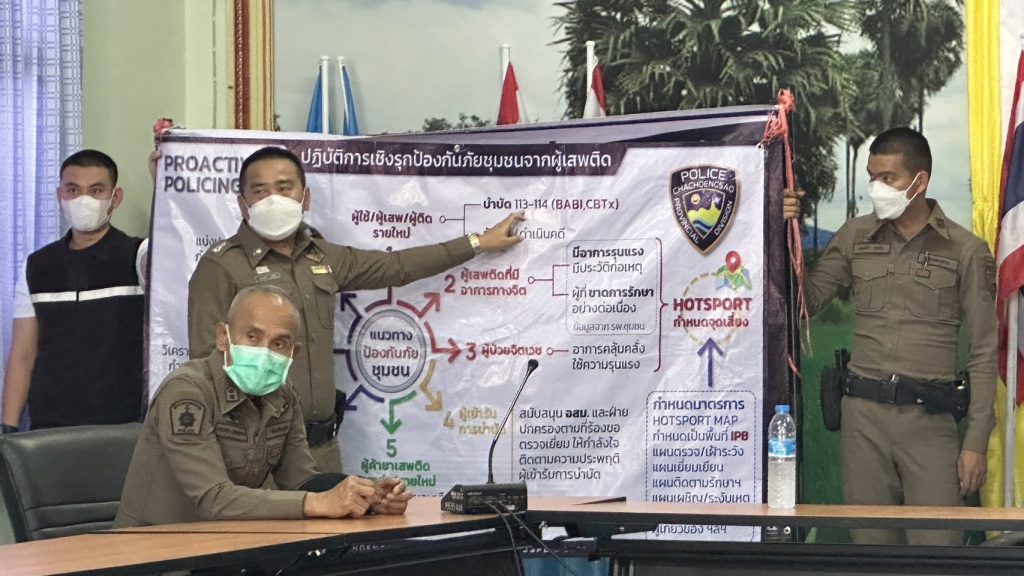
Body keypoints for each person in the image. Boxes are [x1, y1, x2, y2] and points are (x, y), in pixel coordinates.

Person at [187, 146, 525, 472]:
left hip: (320, 448)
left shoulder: (322, 257)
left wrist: (478, 242)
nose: (273, 199)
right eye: (260, 191)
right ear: (243, 204)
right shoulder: (222, 265)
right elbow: (206, 361)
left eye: (284, 188)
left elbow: (396, 266)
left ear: (305, 198)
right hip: (256, 451)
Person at [784, 127, 996, 545]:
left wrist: (975, 443)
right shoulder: (855, 235)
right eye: (872, 177)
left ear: (920, 181)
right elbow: (803, 302)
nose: (876, 189)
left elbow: (985, 351)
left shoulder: (966, 250)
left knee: (937, 551)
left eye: (888, 178)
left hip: (930, 422)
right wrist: (781, 231)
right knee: (871, 550)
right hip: (862, 422)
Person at [115, 285, 411, 526]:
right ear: (223, 337)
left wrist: (368, 496)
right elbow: (213, 499)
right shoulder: (187, 393)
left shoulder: (282, 394)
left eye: (279, 344)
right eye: (253, 337)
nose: (264, 352)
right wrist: (320, 502)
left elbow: (301, 480)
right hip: (154, 553)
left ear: (293, 352)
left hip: (227, 545)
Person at [1, 149, 148, 432]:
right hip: (50, 426)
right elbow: (22, 353)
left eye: (96, 190)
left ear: (115, 197)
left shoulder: (139, 255)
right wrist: (7, 429)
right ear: (60, 196)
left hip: (124, 425)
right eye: (73, 190)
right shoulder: (37, 265)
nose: (84, 200)